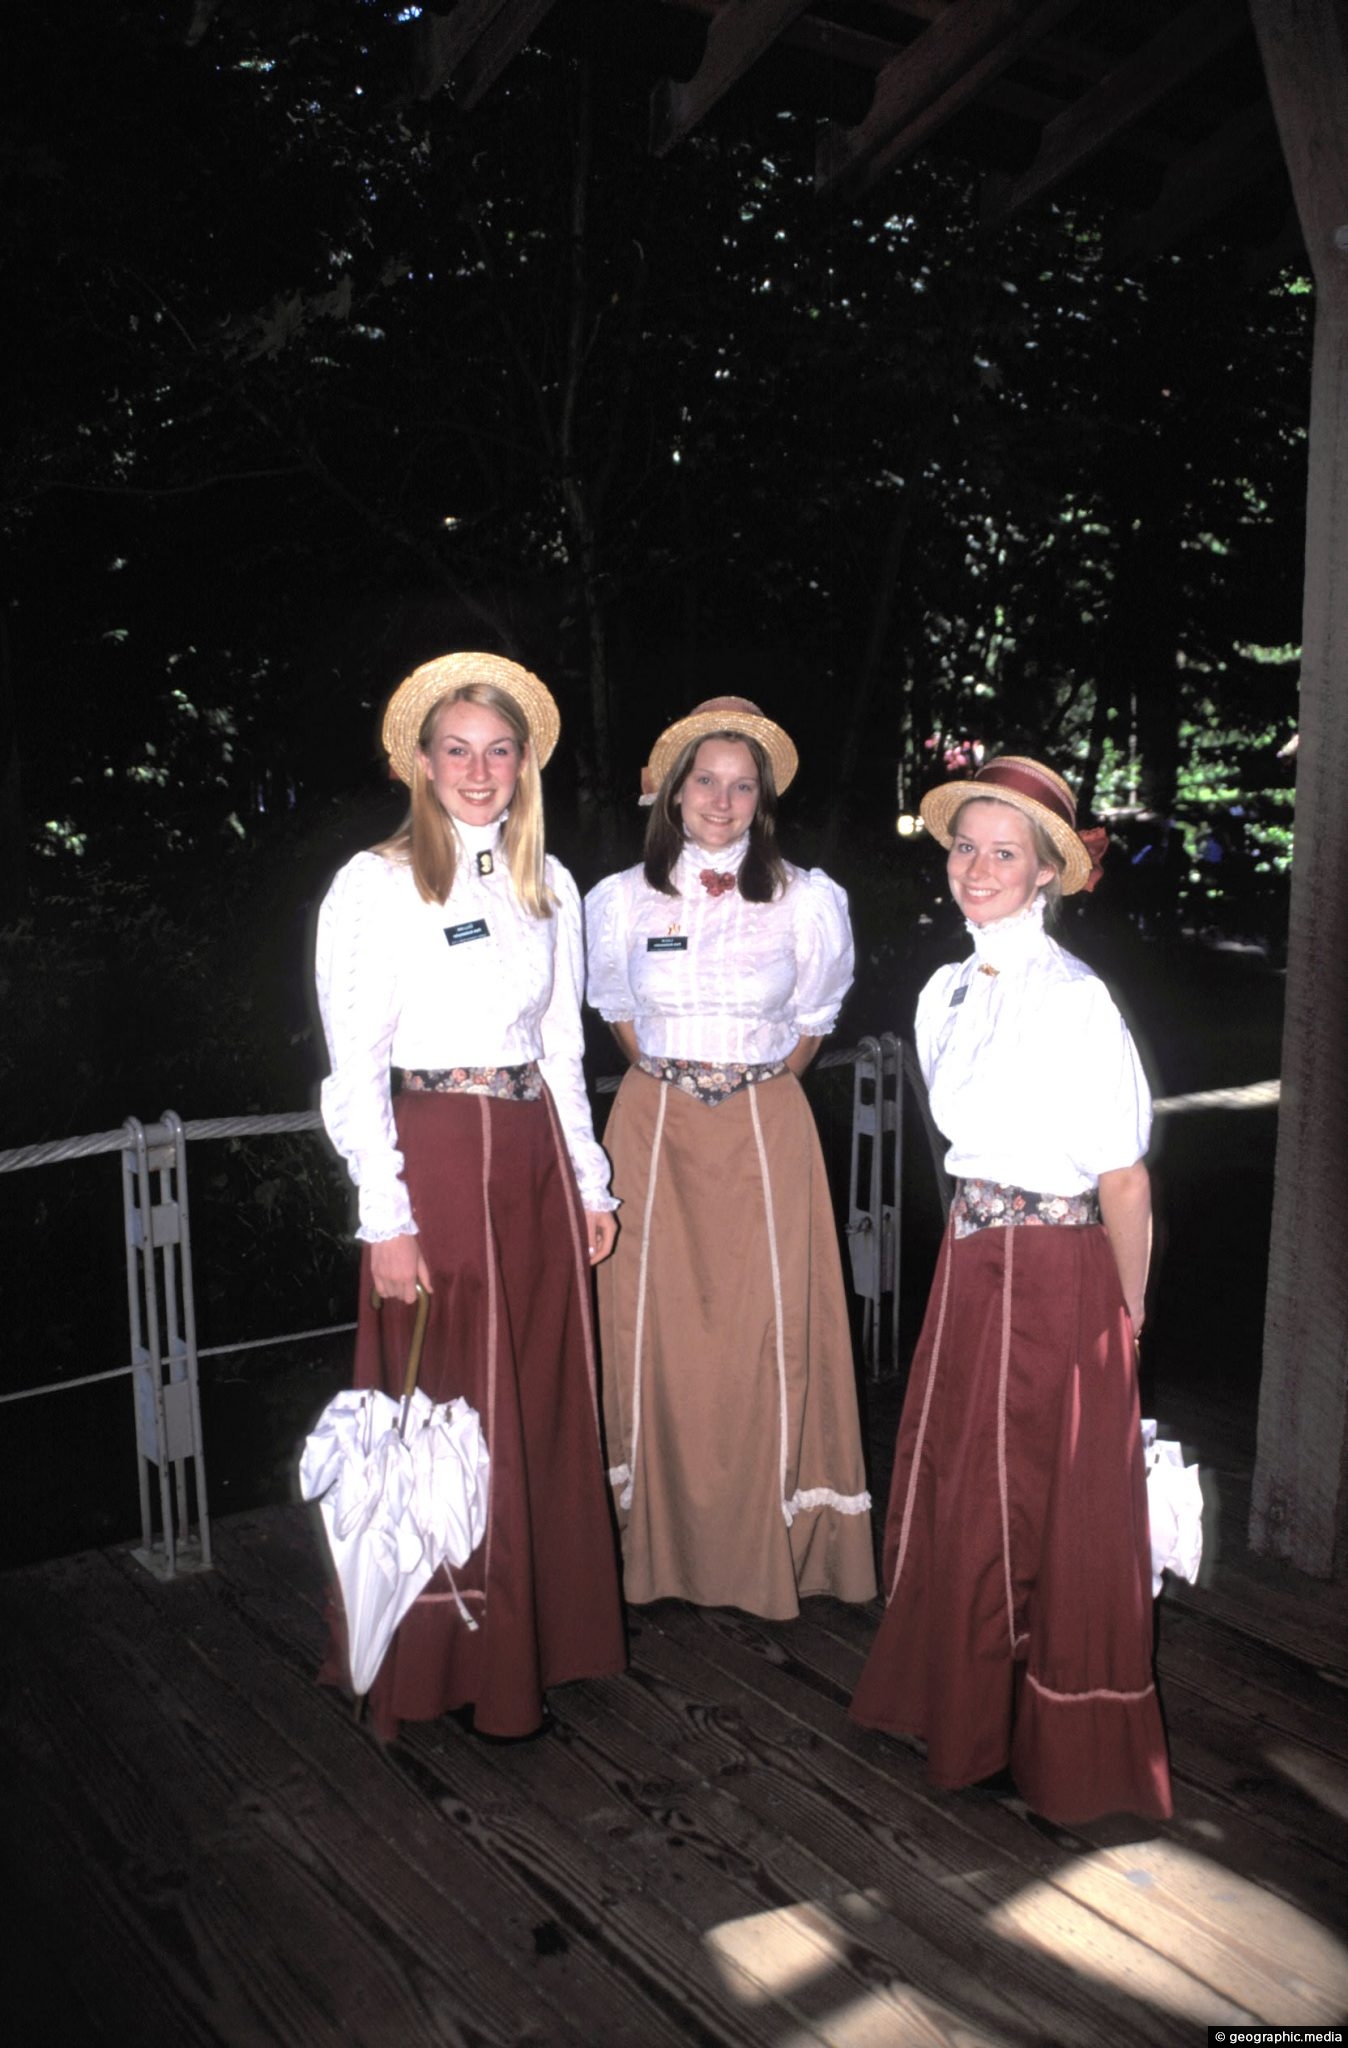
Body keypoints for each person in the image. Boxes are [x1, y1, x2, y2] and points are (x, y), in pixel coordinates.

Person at [849, 755, 1172, 1825]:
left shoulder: (1080, 1003)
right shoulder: (941, 991)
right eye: (965, 846)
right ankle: (960, 1701)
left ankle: (1027, 1731)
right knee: (958, 1481)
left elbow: (1123, 1179)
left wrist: (1123, 1322)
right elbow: (962, 1140)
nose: (977, 868)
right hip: (972, 1258)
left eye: (1004, 852)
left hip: (1058, 1270)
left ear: (1046, 873)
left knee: (1031, 1500)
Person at [314, 650, 626, 1741]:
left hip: (532, 1158)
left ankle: (529, 1644)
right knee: (438, 1407)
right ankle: (435, 1659)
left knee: (529, 1400)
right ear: (421, 761)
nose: (479, 769)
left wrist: (590, 1178)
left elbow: (562, 1051)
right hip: (436, 1161)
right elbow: (353, 1066)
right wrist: (385, 1217)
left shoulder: (554, 886)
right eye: (457, 749)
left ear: (525, 761)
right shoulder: (376, 881)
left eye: (498, 749)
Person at [584, 697, 876, 1617]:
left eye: (742, 785)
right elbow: (618, 1018)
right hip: (654, 1125)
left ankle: (776, 1545)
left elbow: (811, 1027)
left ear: (763, 799)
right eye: (706, 781)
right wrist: (680, 1085)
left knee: (770, 1327)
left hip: (762, 1124)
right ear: (673, 793)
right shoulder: (616, 900)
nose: (722, 800)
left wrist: (744, 1090)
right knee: (649, 1329)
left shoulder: (809, 898)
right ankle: (645, 1543)